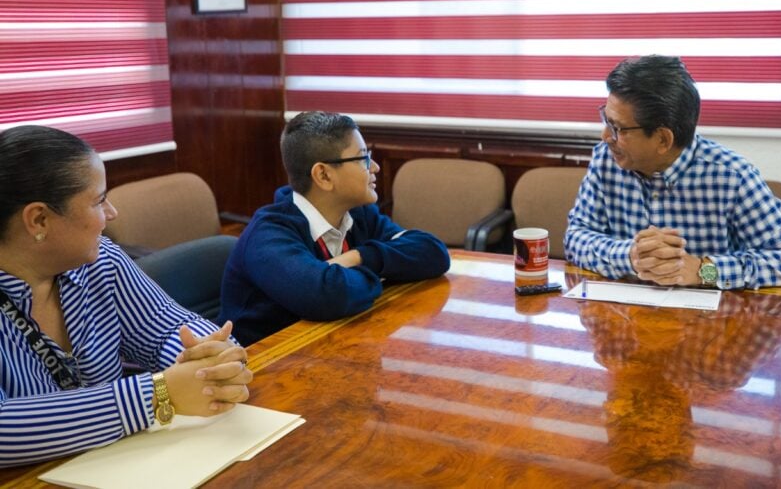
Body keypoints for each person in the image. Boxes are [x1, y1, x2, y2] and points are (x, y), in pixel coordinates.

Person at [0, 126, 251, 467]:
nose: (112, 214)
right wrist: (159, 394)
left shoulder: (100, 260)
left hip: (123, 465)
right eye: (99, 201)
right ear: (39, 219)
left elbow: (168, 327)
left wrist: (210, 360)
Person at [565, 55, 781, 289]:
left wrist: (702, 270)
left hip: (706, 326)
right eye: (606, 120)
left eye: (617, 128)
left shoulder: (731, 177)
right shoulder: (606, 160)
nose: (605, 136)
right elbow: (575, 238)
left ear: (663, 139)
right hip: (624, 320)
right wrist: (629, 256)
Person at [219, 111, 450, 346]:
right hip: (265, 366)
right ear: (324, 175)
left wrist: (359, 257)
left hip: (334, 346)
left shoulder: (358, 214)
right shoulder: (267, 235)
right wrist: (385, 273)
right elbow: (328, 296)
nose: (376, 168)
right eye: (363, 159)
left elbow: (432, 252)